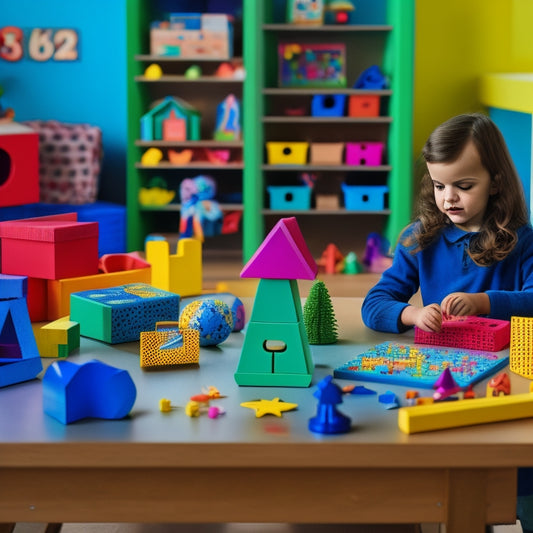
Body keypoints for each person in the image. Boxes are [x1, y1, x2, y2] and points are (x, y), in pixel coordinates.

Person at [361, 112, 533, 532]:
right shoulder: (420, 238)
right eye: (439, 186)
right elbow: (375, 303)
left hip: (508, 384)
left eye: (464, 186)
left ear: (495, 181)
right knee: (442, 484)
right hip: (442, 382)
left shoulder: (521, 240)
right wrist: (414, 313)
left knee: (516, 485)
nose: (449, 198)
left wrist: (484, 301)